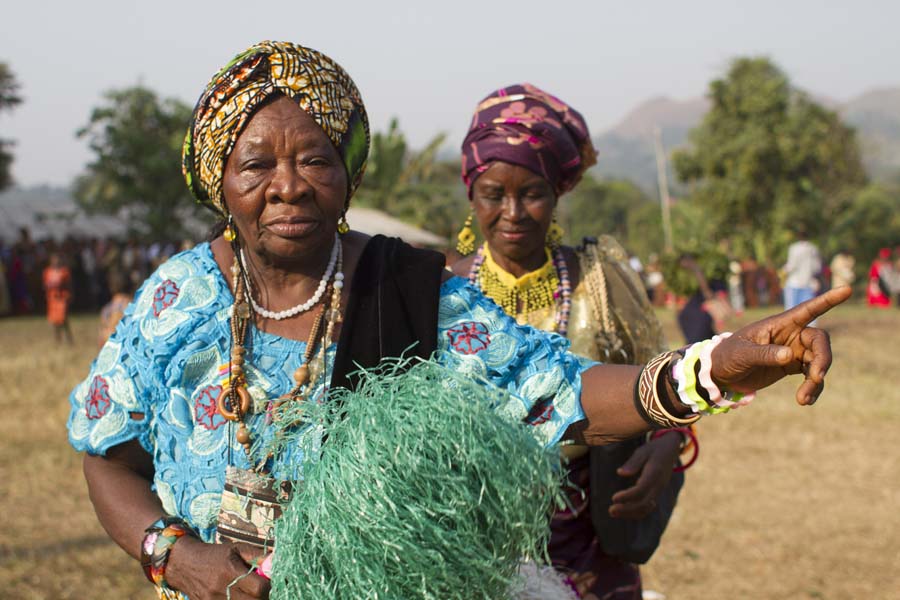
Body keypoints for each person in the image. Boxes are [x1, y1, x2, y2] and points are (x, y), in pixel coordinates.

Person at [67, 41, 846, 600]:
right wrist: (171, 554)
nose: (289, 186)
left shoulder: (409, 289)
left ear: (348, 172)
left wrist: (717, 367)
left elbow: (559, 394)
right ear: (219, 181)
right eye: (256, 164)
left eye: (315, 159)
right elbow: (105, 452)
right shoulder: (178, 300)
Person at [452, 83, 684, 599]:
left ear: (557, 196)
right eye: (494, 194)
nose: (512, 212)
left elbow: (665, 383)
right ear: (472, 193)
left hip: (591, 541)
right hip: (471, 542)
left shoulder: (599, 281)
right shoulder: (443, 291)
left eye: (532, 193)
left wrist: (668, 442)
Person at [782, 228, 821, 310]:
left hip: (794, 282)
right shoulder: (813, 248)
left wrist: (783, 271)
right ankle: (811, 323)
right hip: (808, 282)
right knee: (808, 309)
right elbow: (817, 267)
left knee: (791, 309)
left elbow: (792, 265)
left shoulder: (794, 248)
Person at [43, 251, 73, 344]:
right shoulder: (47, 272)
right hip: (52, 298)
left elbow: (69, 285)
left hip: (62, 298)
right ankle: (57, 340)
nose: (56, 261)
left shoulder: (64, 271)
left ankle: (69, 339)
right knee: (54, 320)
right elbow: (44, 284)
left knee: (63, 319)